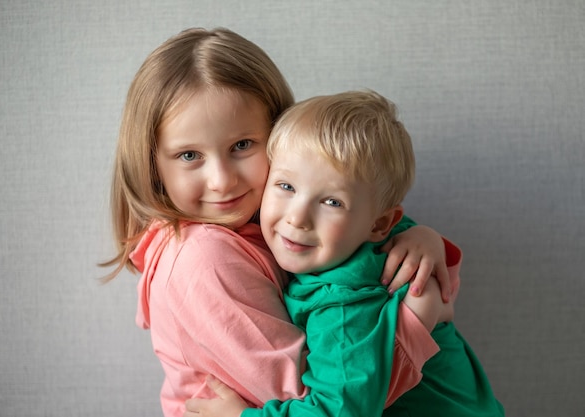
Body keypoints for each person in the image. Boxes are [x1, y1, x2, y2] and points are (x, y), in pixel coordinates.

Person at [102, 28, 462, 416]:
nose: (222, 181)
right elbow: (316, 400)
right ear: (153, 163)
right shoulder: (205, 260)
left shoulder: (269, 218)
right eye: (190, 155)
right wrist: (416, 323)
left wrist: (417, 237)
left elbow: (360, 217)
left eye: (242, 146)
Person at [184, 90, 504, 417]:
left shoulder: (344, 311)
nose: (297, 217)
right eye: (286, 186)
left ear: (379, 224)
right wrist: (422, 235)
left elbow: (336, 413)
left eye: (332, 202)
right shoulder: (370, 244)